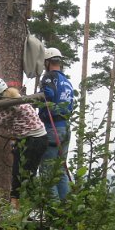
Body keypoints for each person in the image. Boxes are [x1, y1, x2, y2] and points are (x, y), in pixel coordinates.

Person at [0, 78, 48, 212]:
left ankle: (36, 209)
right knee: (18, 174)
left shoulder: (11, 105)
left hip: (33, 140)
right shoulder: (14, 98)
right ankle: (16, 207)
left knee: (24, 175)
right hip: (28, 139)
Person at [38, 47, 74, 201]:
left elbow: (49, 95)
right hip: (65, 127)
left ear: (47, 62)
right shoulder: (67, 81)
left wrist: (34, 101)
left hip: (52, 127)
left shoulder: (49, 77)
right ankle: (65, 212)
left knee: (47, 172)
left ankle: (52, 212)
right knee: (60, 171)